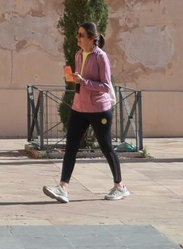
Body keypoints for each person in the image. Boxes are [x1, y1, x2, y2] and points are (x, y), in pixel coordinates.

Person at [42, 21, 130, 203]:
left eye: (81, 35)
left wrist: (84, 81)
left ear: (91, 38)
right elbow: (81, 81)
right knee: (71, 146)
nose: (78, 38)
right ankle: (63, 188)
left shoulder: (101, 57)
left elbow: (106, 86)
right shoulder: (78, 55)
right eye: (77, 35)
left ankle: (120, 186)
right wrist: (74, 79)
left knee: (106, 147)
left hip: (99, 109)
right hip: (79, 107)